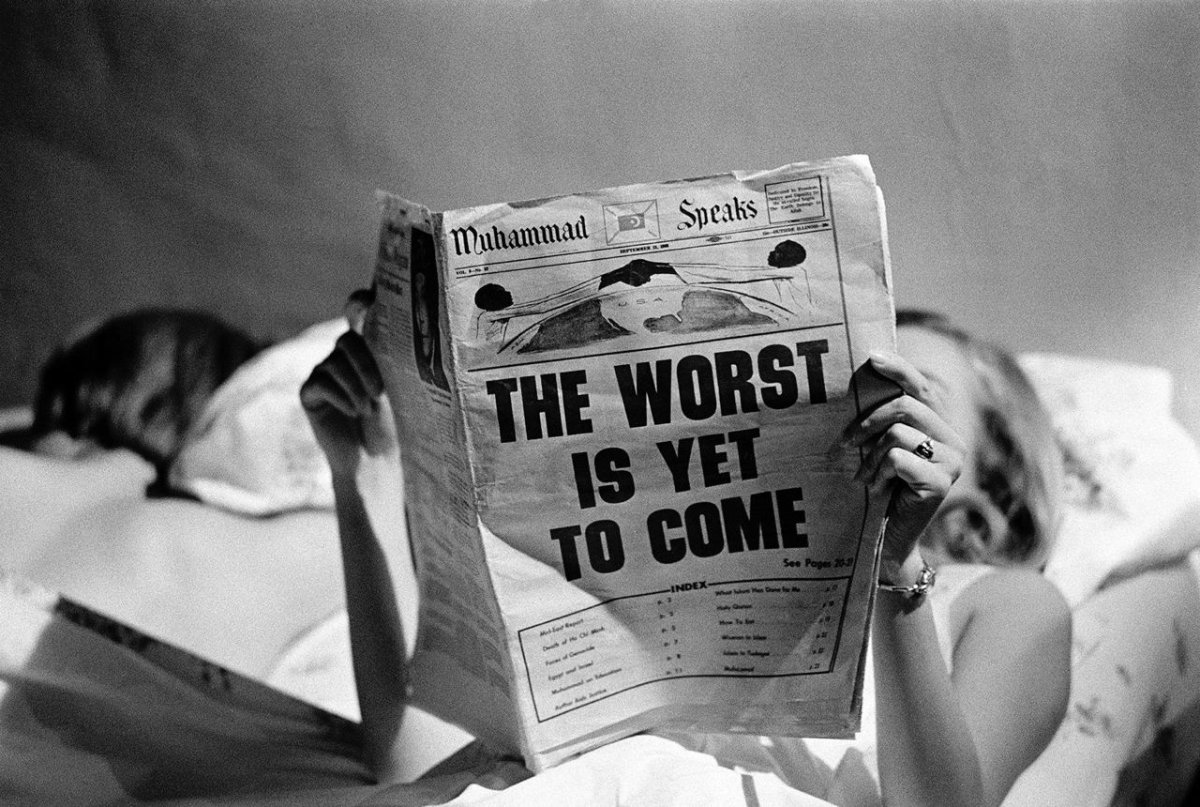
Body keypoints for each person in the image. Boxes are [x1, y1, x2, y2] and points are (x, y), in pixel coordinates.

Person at [299, 304, 1072, 806]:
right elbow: (413, 760)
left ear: (987, 491)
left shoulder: (1003, 598)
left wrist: (894, 564)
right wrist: (361, 476)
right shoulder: (672, 560)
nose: (871, 412)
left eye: (914, 395)